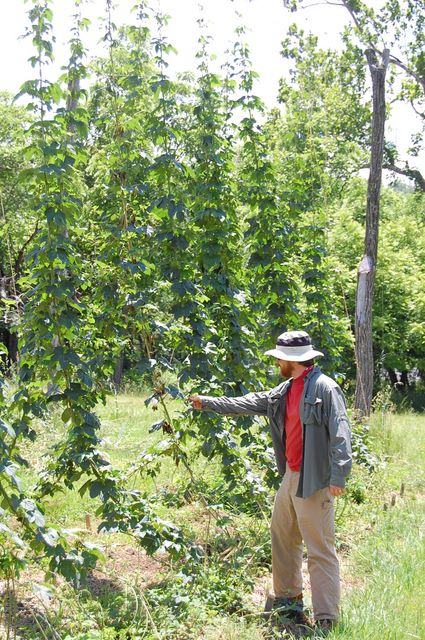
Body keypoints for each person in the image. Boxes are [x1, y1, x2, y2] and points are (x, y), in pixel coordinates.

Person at [188, 330, 352, 633]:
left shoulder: (325, 389)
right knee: (282, 536)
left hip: (315, 480)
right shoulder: (283, 391)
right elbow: (245, 402)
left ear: (293, 360)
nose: (276, 361)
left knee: (319, 549)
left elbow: (341, 431)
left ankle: (327, 619)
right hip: (291, 476)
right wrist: (206, 402)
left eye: (279, 357)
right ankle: (289, 602)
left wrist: (339, 474)